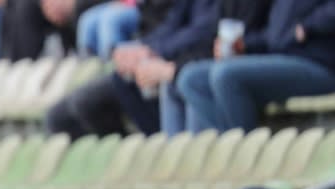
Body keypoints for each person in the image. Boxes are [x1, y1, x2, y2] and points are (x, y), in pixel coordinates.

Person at [44, 0, 215, 138]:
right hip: (166, 54)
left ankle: (162, 149)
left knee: (184, 80)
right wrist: (142, 49)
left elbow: (203, 31)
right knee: (58, 116)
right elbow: (168, 24)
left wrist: (152, 51)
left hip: (191, 61)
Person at [177, 0, 335, 132]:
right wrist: (243, 45)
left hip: (318, 63)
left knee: (226, 75)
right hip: (282, 60)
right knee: (191, 79)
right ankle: (236, 146)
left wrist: (309, 26)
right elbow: (274, 37)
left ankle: (244, 154)